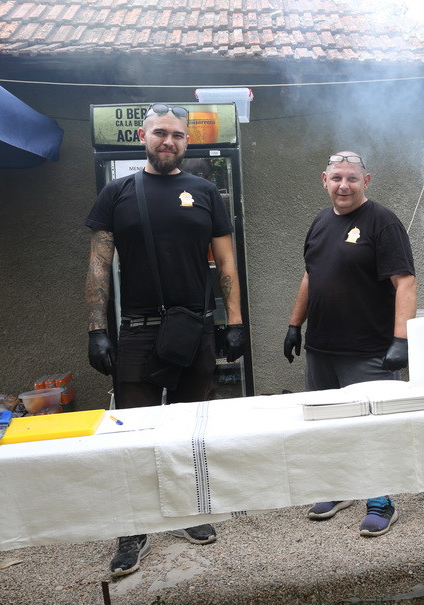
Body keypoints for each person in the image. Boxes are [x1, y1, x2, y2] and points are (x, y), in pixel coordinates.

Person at [85, 103, 248, 576]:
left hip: (193, 328)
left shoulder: (204, 192)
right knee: (134, 434)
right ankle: (133, 529)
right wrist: (96, 329)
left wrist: (235, 321)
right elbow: (98, 265)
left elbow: (226, 262)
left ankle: (187, 510)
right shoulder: (116, 193)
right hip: (137, 329)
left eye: (177, 135)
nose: (168, 141)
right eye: (160, 132)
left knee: (188, 429)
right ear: (143, 136)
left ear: (186, 141)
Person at [284, 151, 417, 537]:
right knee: (326, 426)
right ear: (324, 180)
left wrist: (401, 340)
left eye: (352, 178)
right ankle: (338, 488)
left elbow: (405, 282)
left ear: (366, 181)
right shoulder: (320, 222)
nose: (344, 186)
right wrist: (294, 325)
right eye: (337, 178)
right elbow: (310, 275)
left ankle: (381, 500)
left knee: (373, 429)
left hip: (369, 350)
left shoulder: (383, 222)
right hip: (322, 348)